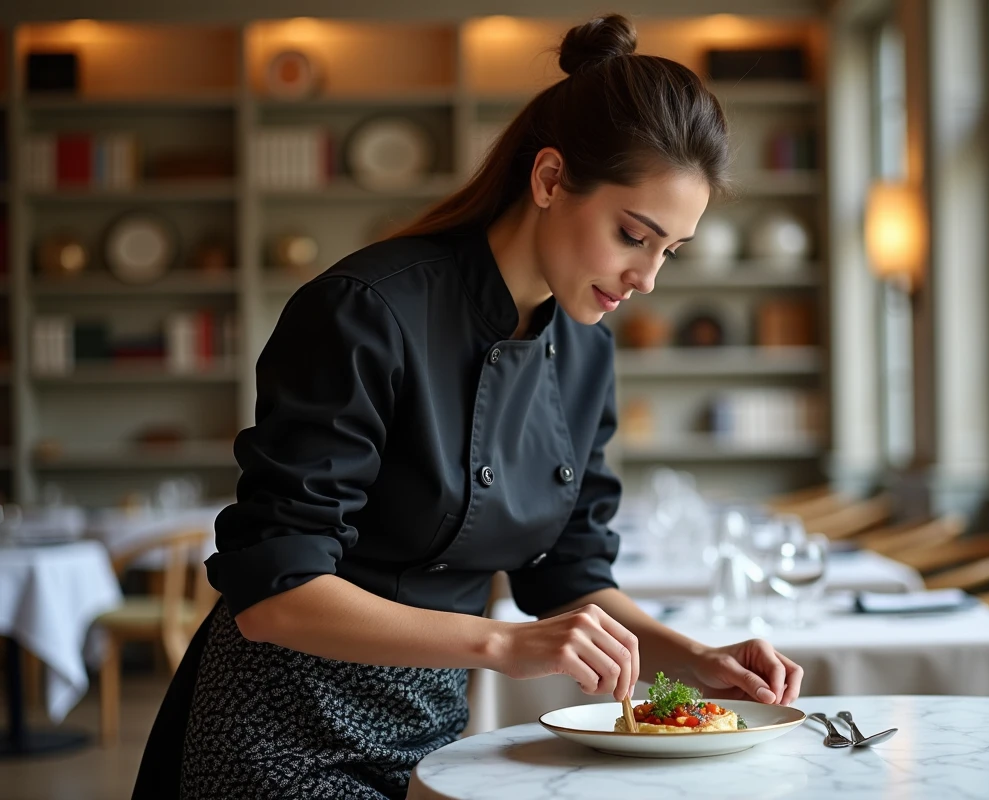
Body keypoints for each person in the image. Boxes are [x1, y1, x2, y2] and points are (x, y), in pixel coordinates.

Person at [133, 14, 803, 799]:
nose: (647, 278)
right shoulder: (365, 312)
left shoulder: (585, 349)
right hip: (281, 731)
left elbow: (568, 574)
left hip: (434, 738)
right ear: (551, 179)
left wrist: (694, 657)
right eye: (633, 235)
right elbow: (276, 595)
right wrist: (504, 644)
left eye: (669, 252)